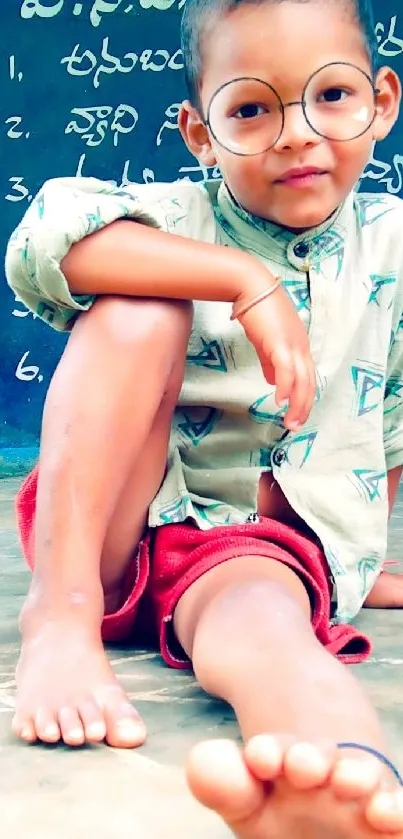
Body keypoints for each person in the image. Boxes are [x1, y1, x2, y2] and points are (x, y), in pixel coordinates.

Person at [5, 0, 403, 834]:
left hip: (242, 556)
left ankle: (336, 792)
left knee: (265, 629)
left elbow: (389, 420)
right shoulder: (175, 215)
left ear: (382, 101)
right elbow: (38, 246)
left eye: (331, 96)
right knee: (143, 307)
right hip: (108, 519)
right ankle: (61, 615)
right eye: (252, 109)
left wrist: (358, 562)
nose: (296, 134)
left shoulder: (391, 248)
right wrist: (233, 277)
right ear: (199, 133)